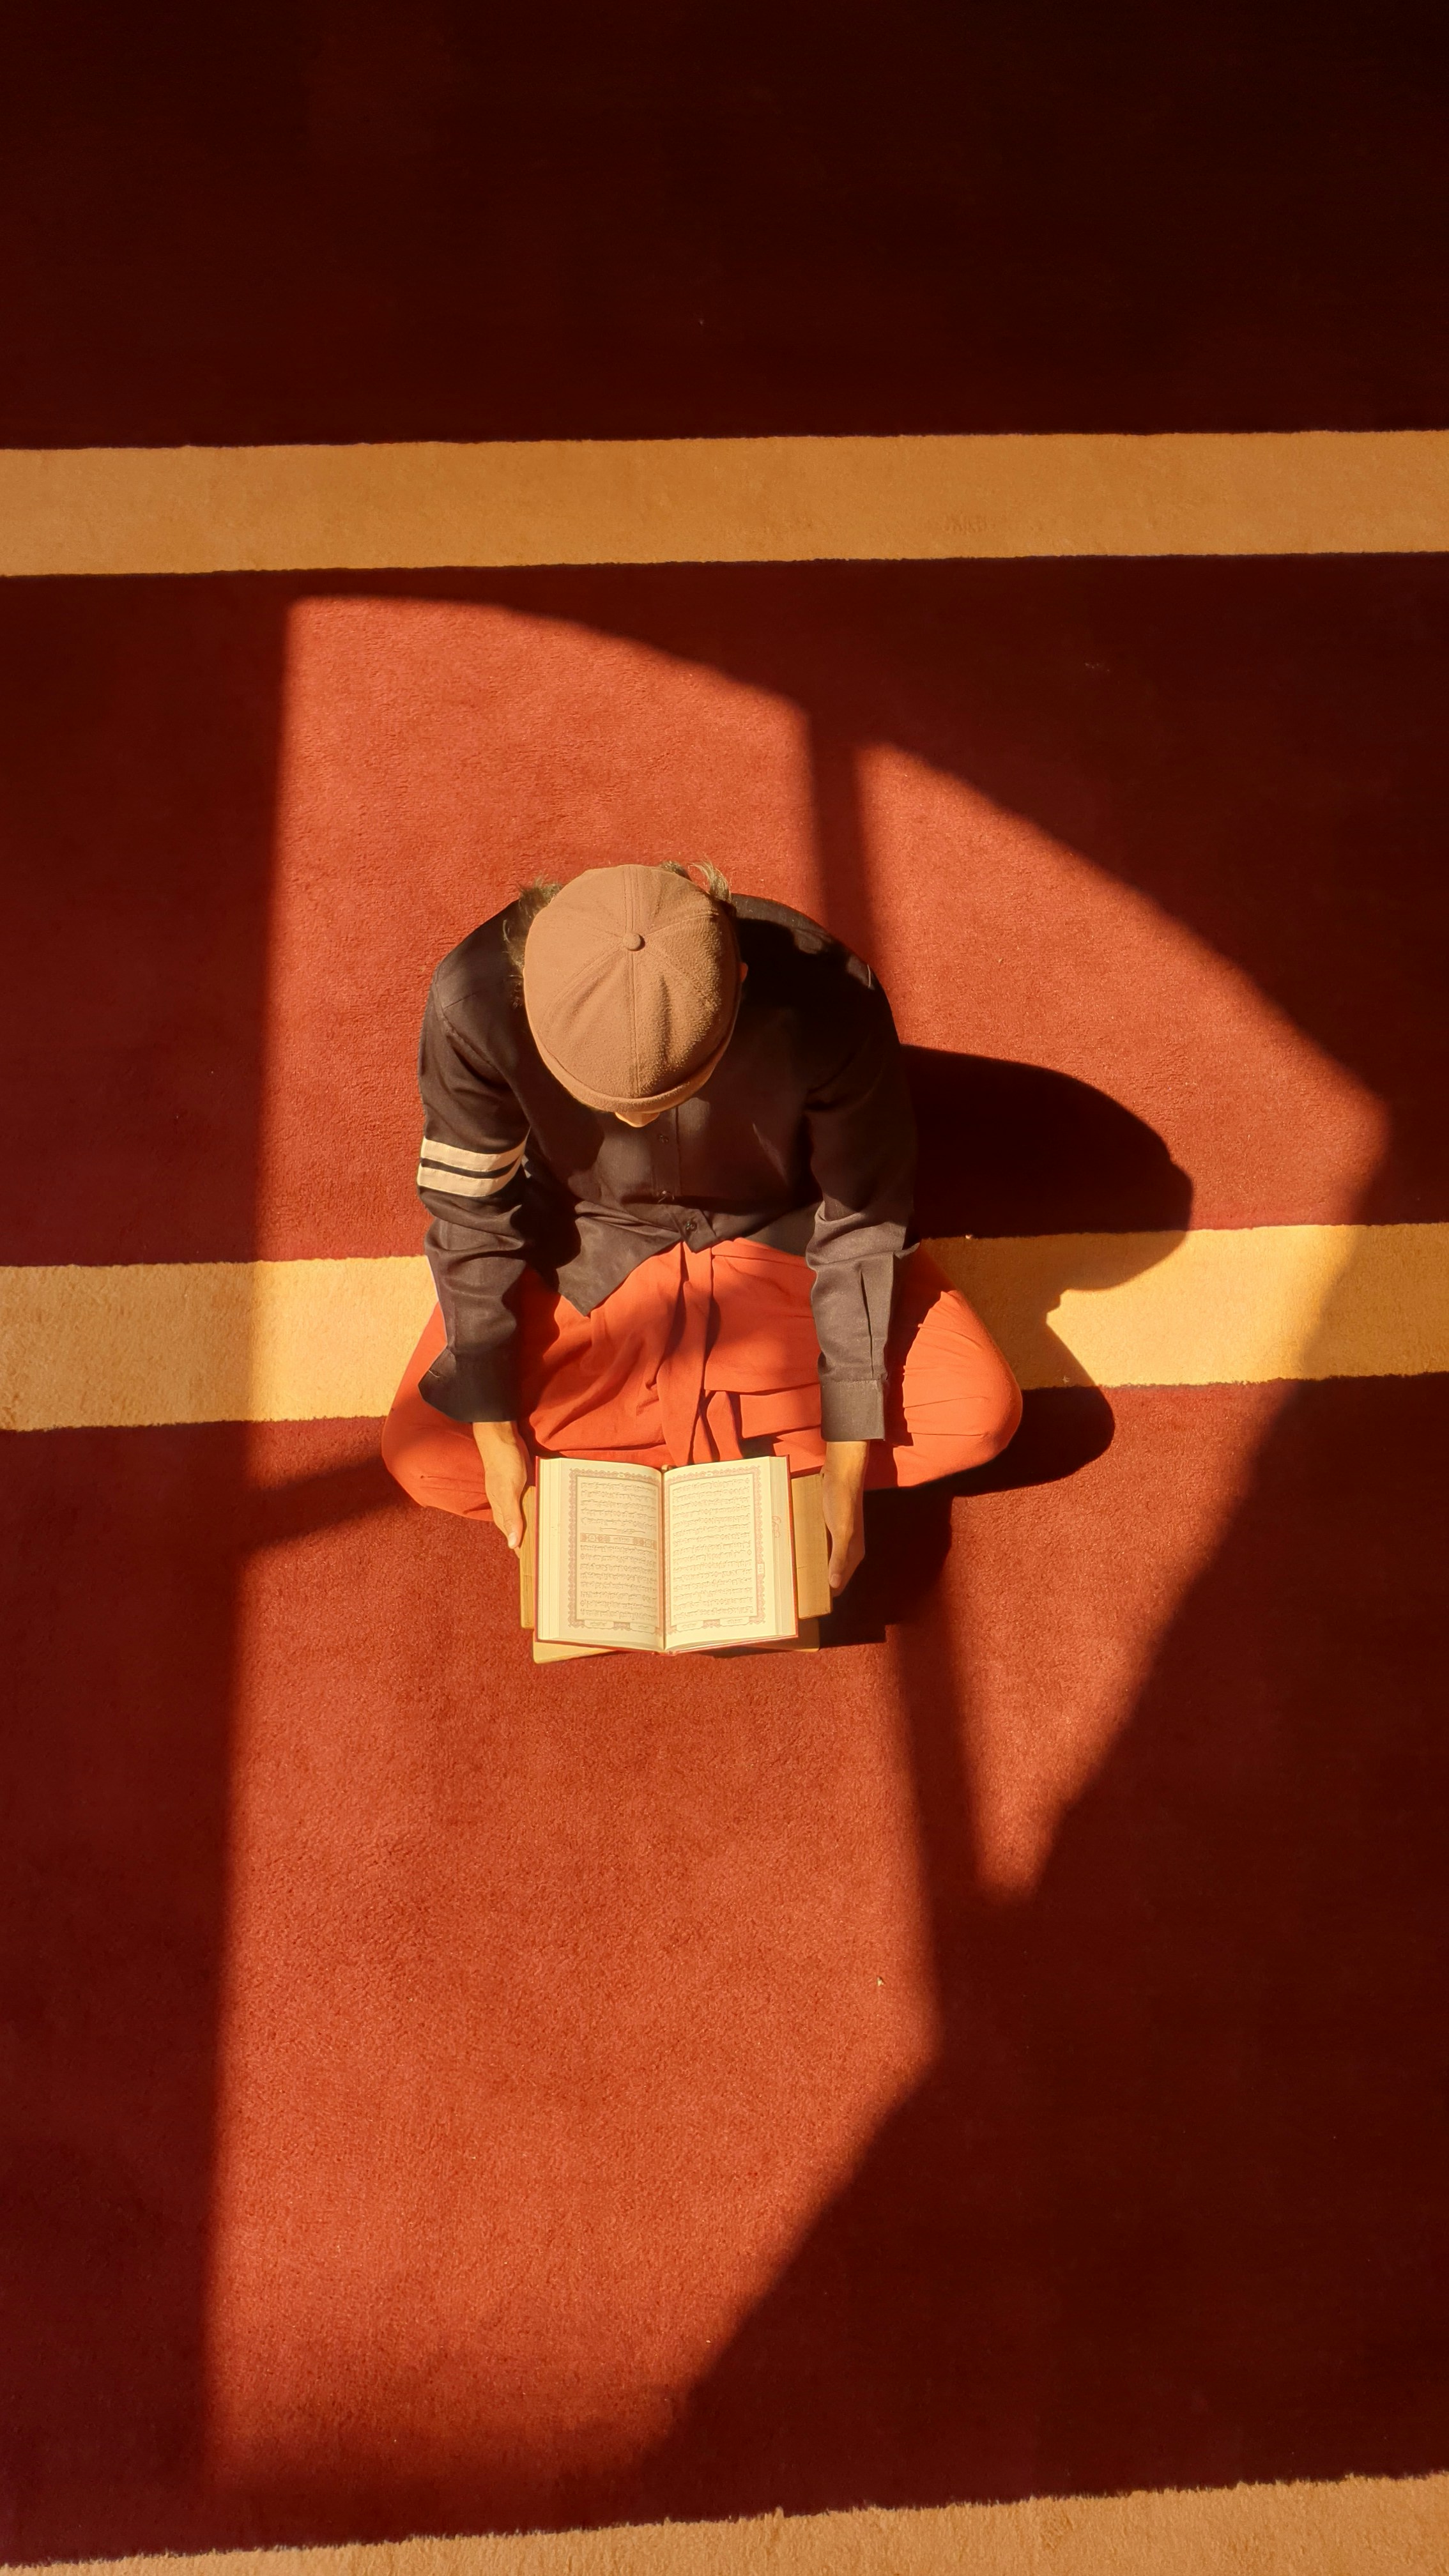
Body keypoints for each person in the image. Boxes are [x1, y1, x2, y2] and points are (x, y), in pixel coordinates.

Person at [382, 861, 1021, 1595]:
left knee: (979, 1413)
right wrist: (494, 1432)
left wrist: (847, 1456)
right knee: (428, 1454)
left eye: (671, 1090)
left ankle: (631, 1473)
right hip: (588, 1254)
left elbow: (862, 1220)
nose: (632, 1121)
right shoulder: (472, 1001)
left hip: (780, 1245)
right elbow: (471, 1211)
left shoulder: (832, 1001)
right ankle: (740, 1464)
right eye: (608, 1100)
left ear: (740, 980)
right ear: (525, 998)